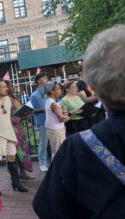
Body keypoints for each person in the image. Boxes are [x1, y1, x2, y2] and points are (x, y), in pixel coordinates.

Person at [33, 25, 125, 218]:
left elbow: (48, 209)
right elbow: (62, 115)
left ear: (96, 83)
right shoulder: (55, 103)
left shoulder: (78, 149)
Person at [5, 80, 35, 179]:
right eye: (11, 86)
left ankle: (23, 172)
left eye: (13, 86)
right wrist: (19, 117)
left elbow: (21, 110)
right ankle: (15, 176)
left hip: (20, 128)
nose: (13, 88)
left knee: (23, 151)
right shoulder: (5, 100)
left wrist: (26, 114)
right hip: (11, 129)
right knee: (14, 152)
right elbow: (5, 116)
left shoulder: (15, 98)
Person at [44, 81, 69, 160]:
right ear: (52, 91)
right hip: (57, 131)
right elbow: (62, 119)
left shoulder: (49, 101)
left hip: (54, 130)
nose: (61, 90)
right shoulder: (53, 104)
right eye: (58, 89)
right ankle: (58, 171)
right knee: (59, 154)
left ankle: (56, 171)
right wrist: (70, 114)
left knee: (56, 153)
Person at [30, 72, 49, 172]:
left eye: (46, 78)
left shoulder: (49, 92)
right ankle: (42, 162)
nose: (46, 80)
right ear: (38, 81)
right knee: (44, 143)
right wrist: (44, 109)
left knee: (54, 142)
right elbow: (32, 110)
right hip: (42, 121)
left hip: (52, 120)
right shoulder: (34, 95)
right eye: (44, 78)